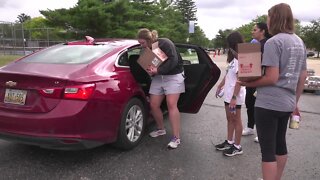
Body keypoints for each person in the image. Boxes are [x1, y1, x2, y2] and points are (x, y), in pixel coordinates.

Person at [239, 3, 307, 180]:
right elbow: (302, 76)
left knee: (267, 150)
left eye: (269, 17)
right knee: (280, 145)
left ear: (275, 18)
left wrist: (247, 83)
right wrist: (295, 102)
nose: (267, 20)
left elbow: (271, 77)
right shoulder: (299, 42)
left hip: (268, 103)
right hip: (287, 103)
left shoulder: (273, 42)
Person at [136, 28, 185, 149]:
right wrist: (151, 71)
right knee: (153, 104)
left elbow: (173, 60)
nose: (141, 46)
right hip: (159, 77)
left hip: (174, 76)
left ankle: (176, 138)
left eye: (142, 43)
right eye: (139, 43)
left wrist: (158, 70)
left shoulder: (164, 43)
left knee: (171, 104)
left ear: (148, 39)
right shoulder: (146, 50)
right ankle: (161, 129)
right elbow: (150, 66)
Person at [215, 31, 246, 157]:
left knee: (236, 120)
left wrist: (234, 97)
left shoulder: (242, 58)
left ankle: (237, 146)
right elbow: (228, 74)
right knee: (229, 118)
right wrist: (220, 85)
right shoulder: (234, 58)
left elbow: (240, 80)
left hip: (235, 96)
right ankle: (229, 141)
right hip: (228, 94)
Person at [242, 22, 271, 143]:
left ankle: (262, 132)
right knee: (249, 103)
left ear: (262, 31)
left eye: (255, 29)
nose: (252, 31)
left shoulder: (268, 44)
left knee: (260, 107)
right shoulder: (254, 44)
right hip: (251, 77)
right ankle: (250, 126)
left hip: (262, 80)